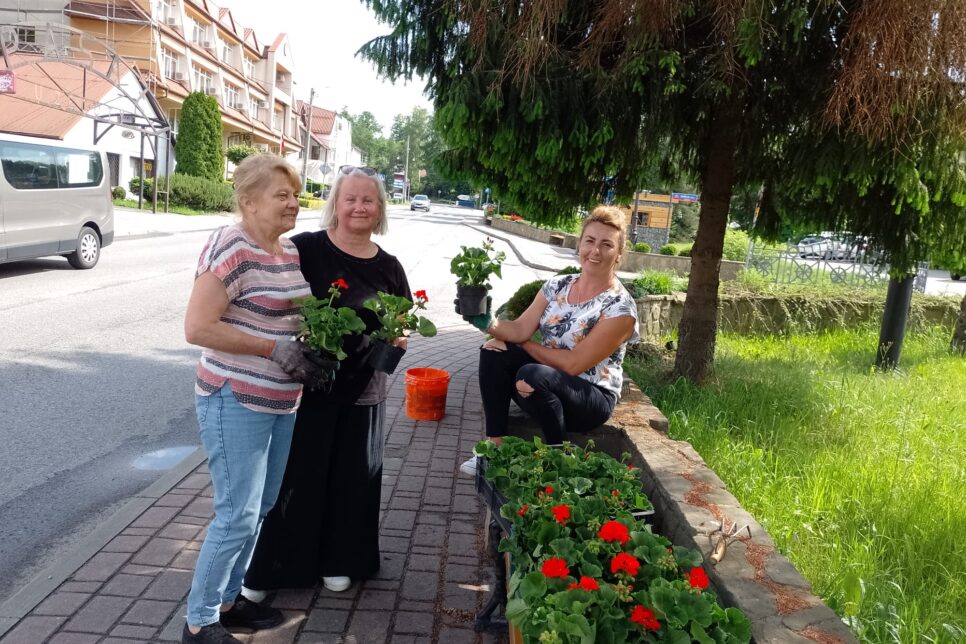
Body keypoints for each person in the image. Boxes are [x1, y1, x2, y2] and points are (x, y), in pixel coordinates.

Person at [182, 155, 331, 644]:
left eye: (295, 194)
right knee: (236, 512)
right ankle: (199, 622)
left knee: (261, 506)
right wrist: (273, 347)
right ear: (248, 201)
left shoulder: (285, 250)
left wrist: (319, 341)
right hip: (235, 397)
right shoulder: (231, 247)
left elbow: (291, 317)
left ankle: (228, 602)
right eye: (281, 195)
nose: (293, 203)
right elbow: (198, 327)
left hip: (281, 400)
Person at [242, 165, 412, 596]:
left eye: (367, 200)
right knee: (298, 478)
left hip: (364, 390)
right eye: (350, 198)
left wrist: (399, 337)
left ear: (379, 209)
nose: (358, 206)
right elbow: (269, 287)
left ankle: (341, 559)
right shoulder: (305, 249)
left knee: (353, 479)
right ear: (335, 203)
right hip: (308, 384)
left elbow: (402, 323)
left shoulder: (390, 266)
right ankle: (279, 565)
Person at [459, 205, 640, 475]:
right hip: (548, 378)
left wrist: (523, 346)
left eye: (607, 245)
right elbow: (520, 328)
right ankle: (493, 448)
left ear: (619, 255)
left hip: (591, 396)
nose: (595, 251)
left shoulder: (620, 308)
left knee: (531, 373)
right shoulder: (558, 285)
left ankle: (558, 460)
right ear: (580, 245)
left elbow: (574, 364)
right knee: (493, 351)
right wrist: (491, 325)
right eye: (590, 241)